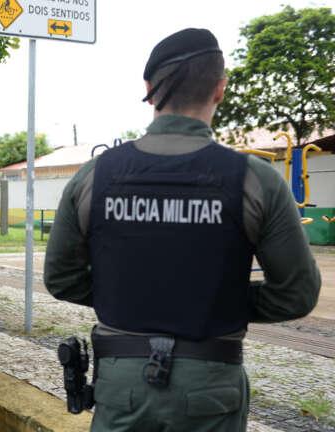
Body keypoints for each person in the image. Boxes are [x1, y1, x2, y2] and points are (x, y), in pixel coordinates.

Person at [44, 28, 321, 432]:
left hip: (122, 386)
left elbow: (61, 278)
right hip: (210, 386)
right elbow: (297, 294)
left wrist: (132, 295)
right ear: (220, 89)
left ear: (149, 90)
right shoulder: (255, 180)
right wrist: (214, 301)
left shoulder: (94, 177)